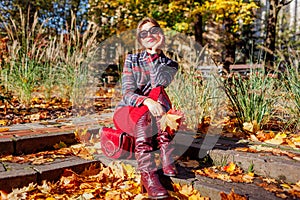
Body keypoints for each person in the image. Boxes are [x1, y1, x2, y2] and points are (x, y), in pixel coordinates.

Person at [113, 17, 179, 199]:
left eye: (153, 31)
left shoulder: (171, 65)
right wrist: (147, 102)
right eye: (144, 33)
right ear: (139, 40)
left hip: (153, 115)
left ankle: (165, 150)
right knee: (151, 104)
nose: (149, 35)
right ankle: (148, 174)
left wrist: (155, 54)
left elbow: (158, 83)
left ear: (161, 35)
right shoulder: (131, 59)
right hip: (127, 112)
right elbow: (127, 94)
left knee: (158, 92)